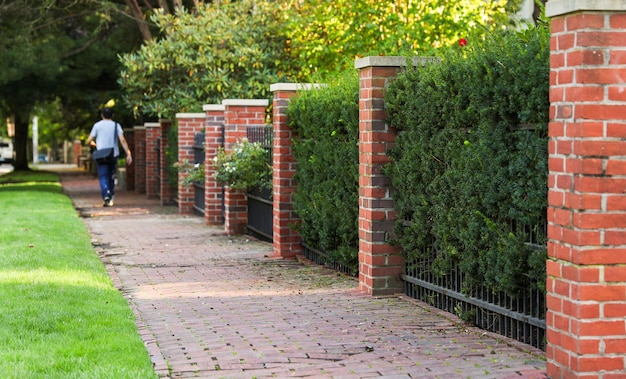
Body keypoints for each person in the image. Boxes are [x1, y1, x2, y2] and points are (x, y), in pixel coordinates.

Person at [86, 107, 133, 207]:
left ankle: (106, 195)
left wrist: (95, 144)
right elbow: (122, 140)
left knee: (103, 176)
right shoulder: (116, 125)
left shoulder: (97, 125)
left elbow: (89, 140)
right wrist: (128, 153)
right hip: (112, 154)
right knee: (111, 176)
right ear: (113, 115)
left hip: (101, 154)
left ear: (102, 115)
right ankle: (110, 196)